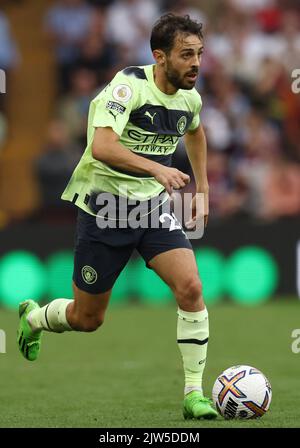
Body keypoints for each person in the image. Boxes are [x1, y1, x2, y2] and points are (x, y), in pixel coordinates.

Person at [17, 13, 217, 420]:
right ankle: (35, 318)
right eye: (185, 55)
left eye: (199, 53)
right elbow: (103, 146)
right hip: (105, 209)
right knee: (87, 319)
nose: (195, 63)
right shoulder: (128, 88)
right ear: (160, 57)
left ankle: (194, 394)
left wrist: (204, 188)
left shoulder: (189, 97)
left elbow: (195, 130)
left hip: (151, 207)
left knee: (191, 288)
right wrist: (157, 168)